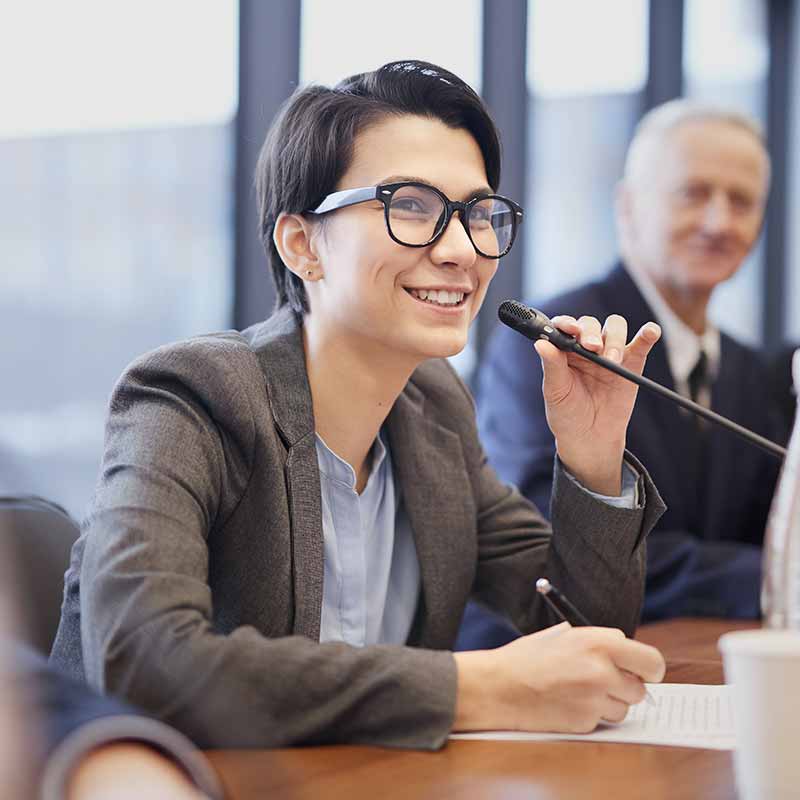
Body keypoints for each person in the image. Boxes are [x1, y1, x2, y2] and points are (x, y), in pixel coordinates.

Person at [51, 60, 665, 750]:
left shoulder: (436, 412)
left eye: (477, 213)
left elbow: (583, 638)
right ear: (301, 244)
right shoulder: (192, 396)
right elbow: (142, 662)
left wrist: (591, 454)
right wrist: (473, 687)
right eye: (411, 206)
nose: (463, 250)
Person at [475, 100, 785, 634]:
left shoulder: (752, 372)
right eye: (693, 193)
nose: (719, 221)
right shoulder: (556, 342)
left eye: (742, 201)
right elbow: (551, 533)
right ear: (627, 206)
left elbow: (772, 527)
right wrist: (772, 577)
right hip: (554, 660)